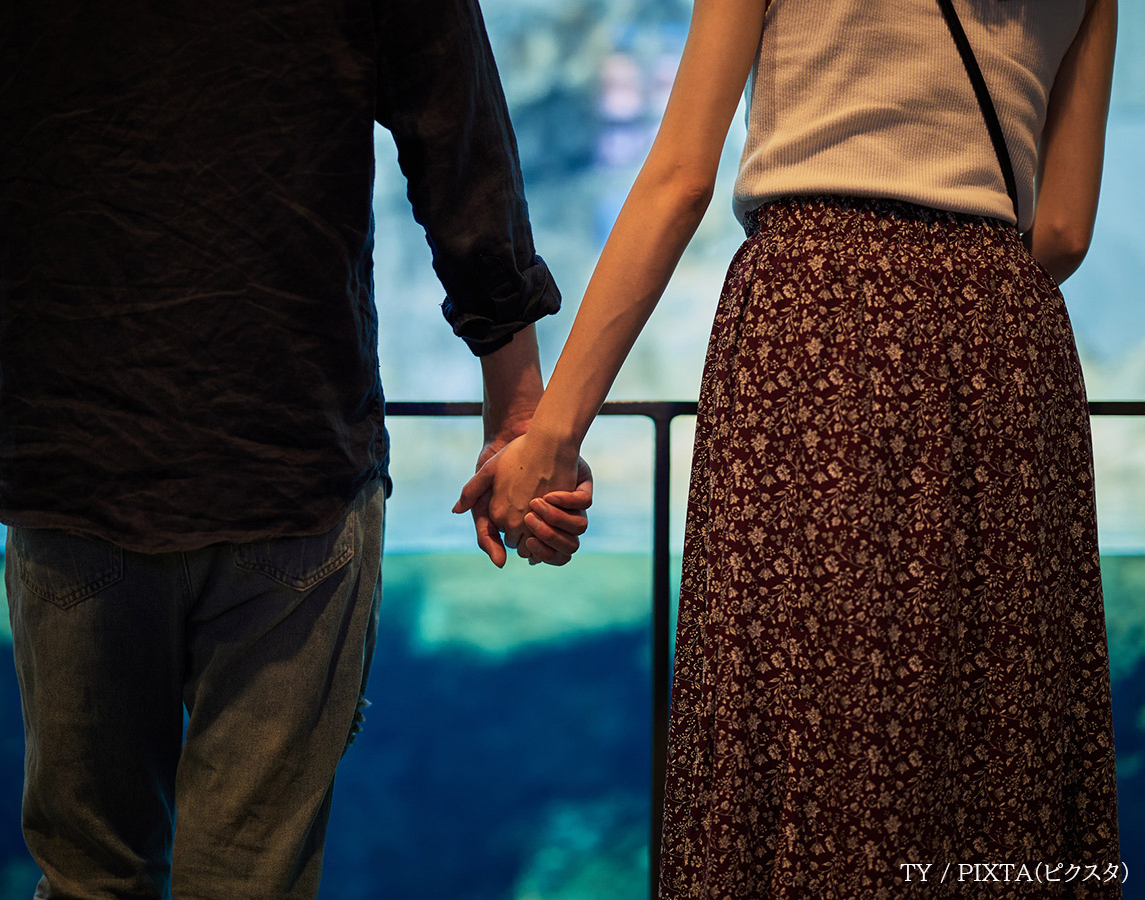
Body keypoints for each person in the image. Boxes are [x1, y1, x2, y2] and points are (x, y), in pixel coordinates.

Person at [458, 0, 1121, 895]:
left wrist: (554, 432)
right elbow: (1065, 230)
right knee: (1000, 732)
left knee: (807, 725)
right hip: (1004, 344)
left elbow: (682, 177)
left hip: (817, 328)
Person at [0, 0, 590, 896]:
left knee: (93, 879)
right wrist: (519, 408)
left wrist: (43, 372)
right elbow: (458, 135)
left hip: (72, 463)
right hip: (292, 460)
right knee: (252, 882)